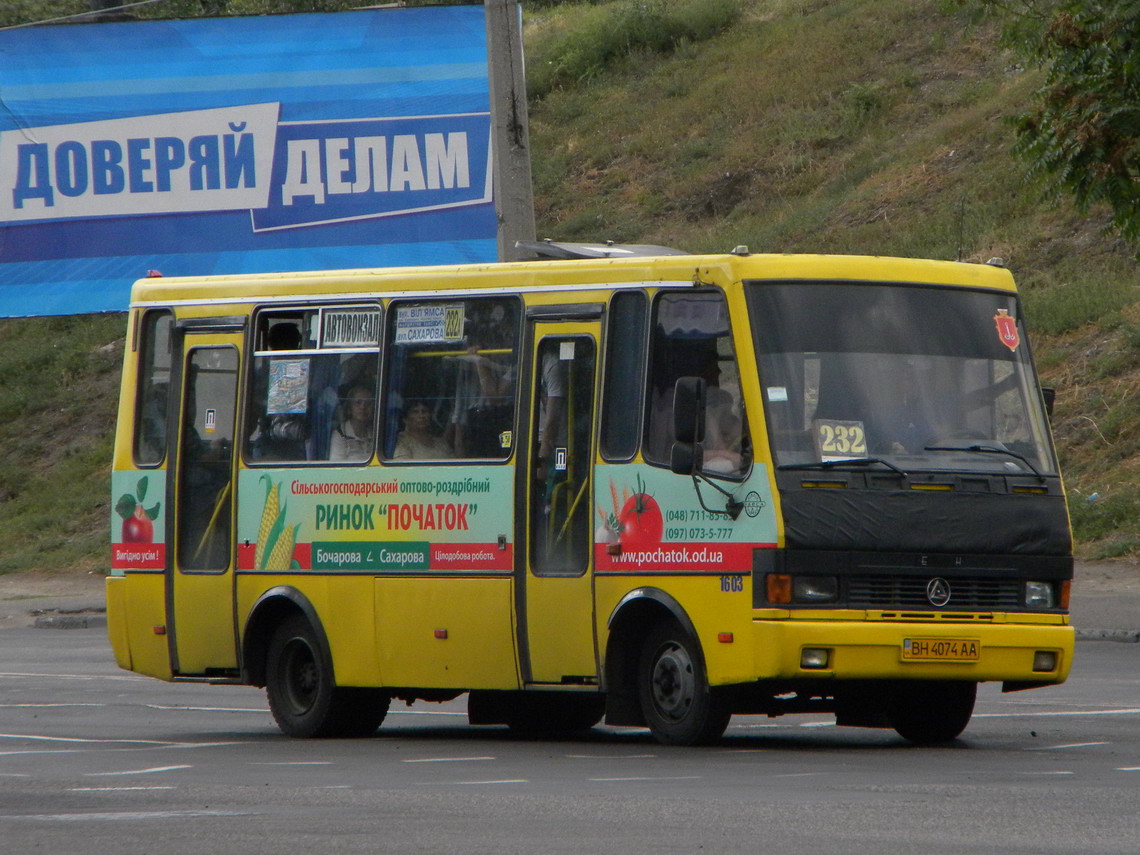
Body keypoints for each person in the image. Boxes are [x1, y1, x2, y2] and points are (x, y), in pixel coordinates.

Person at [329, 385, 375, 461]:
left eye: (368, 403)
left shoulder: (374, 434)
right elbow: (336, 468)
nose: (363, 407)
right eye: (358, 403)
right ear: (350, 407)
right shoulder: (340, 434)